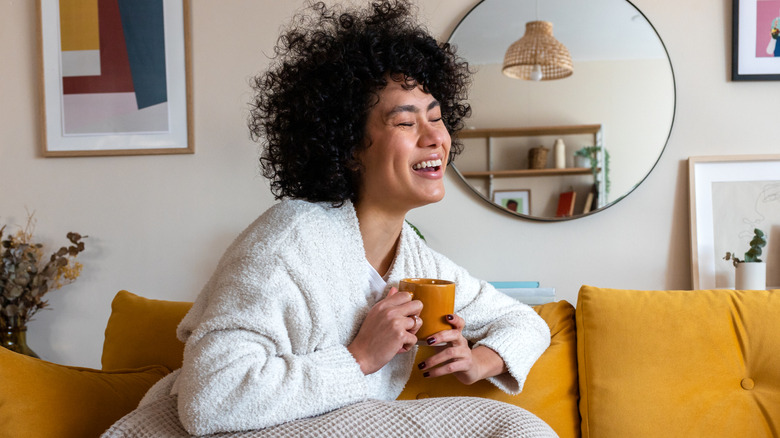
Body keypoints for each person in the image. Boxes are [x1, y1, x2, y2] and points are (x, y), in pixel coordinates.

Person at [138, 1, 551, 435]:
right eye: (406, 123)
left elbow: (524, 321)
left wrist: (480, 359)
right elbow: (210, 401)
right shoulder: (287, 242)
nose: (435, 138)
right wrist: (360, 358)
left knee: (517, 426)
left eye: (436, 118)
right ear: (350, 148)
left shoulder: (420, 266)